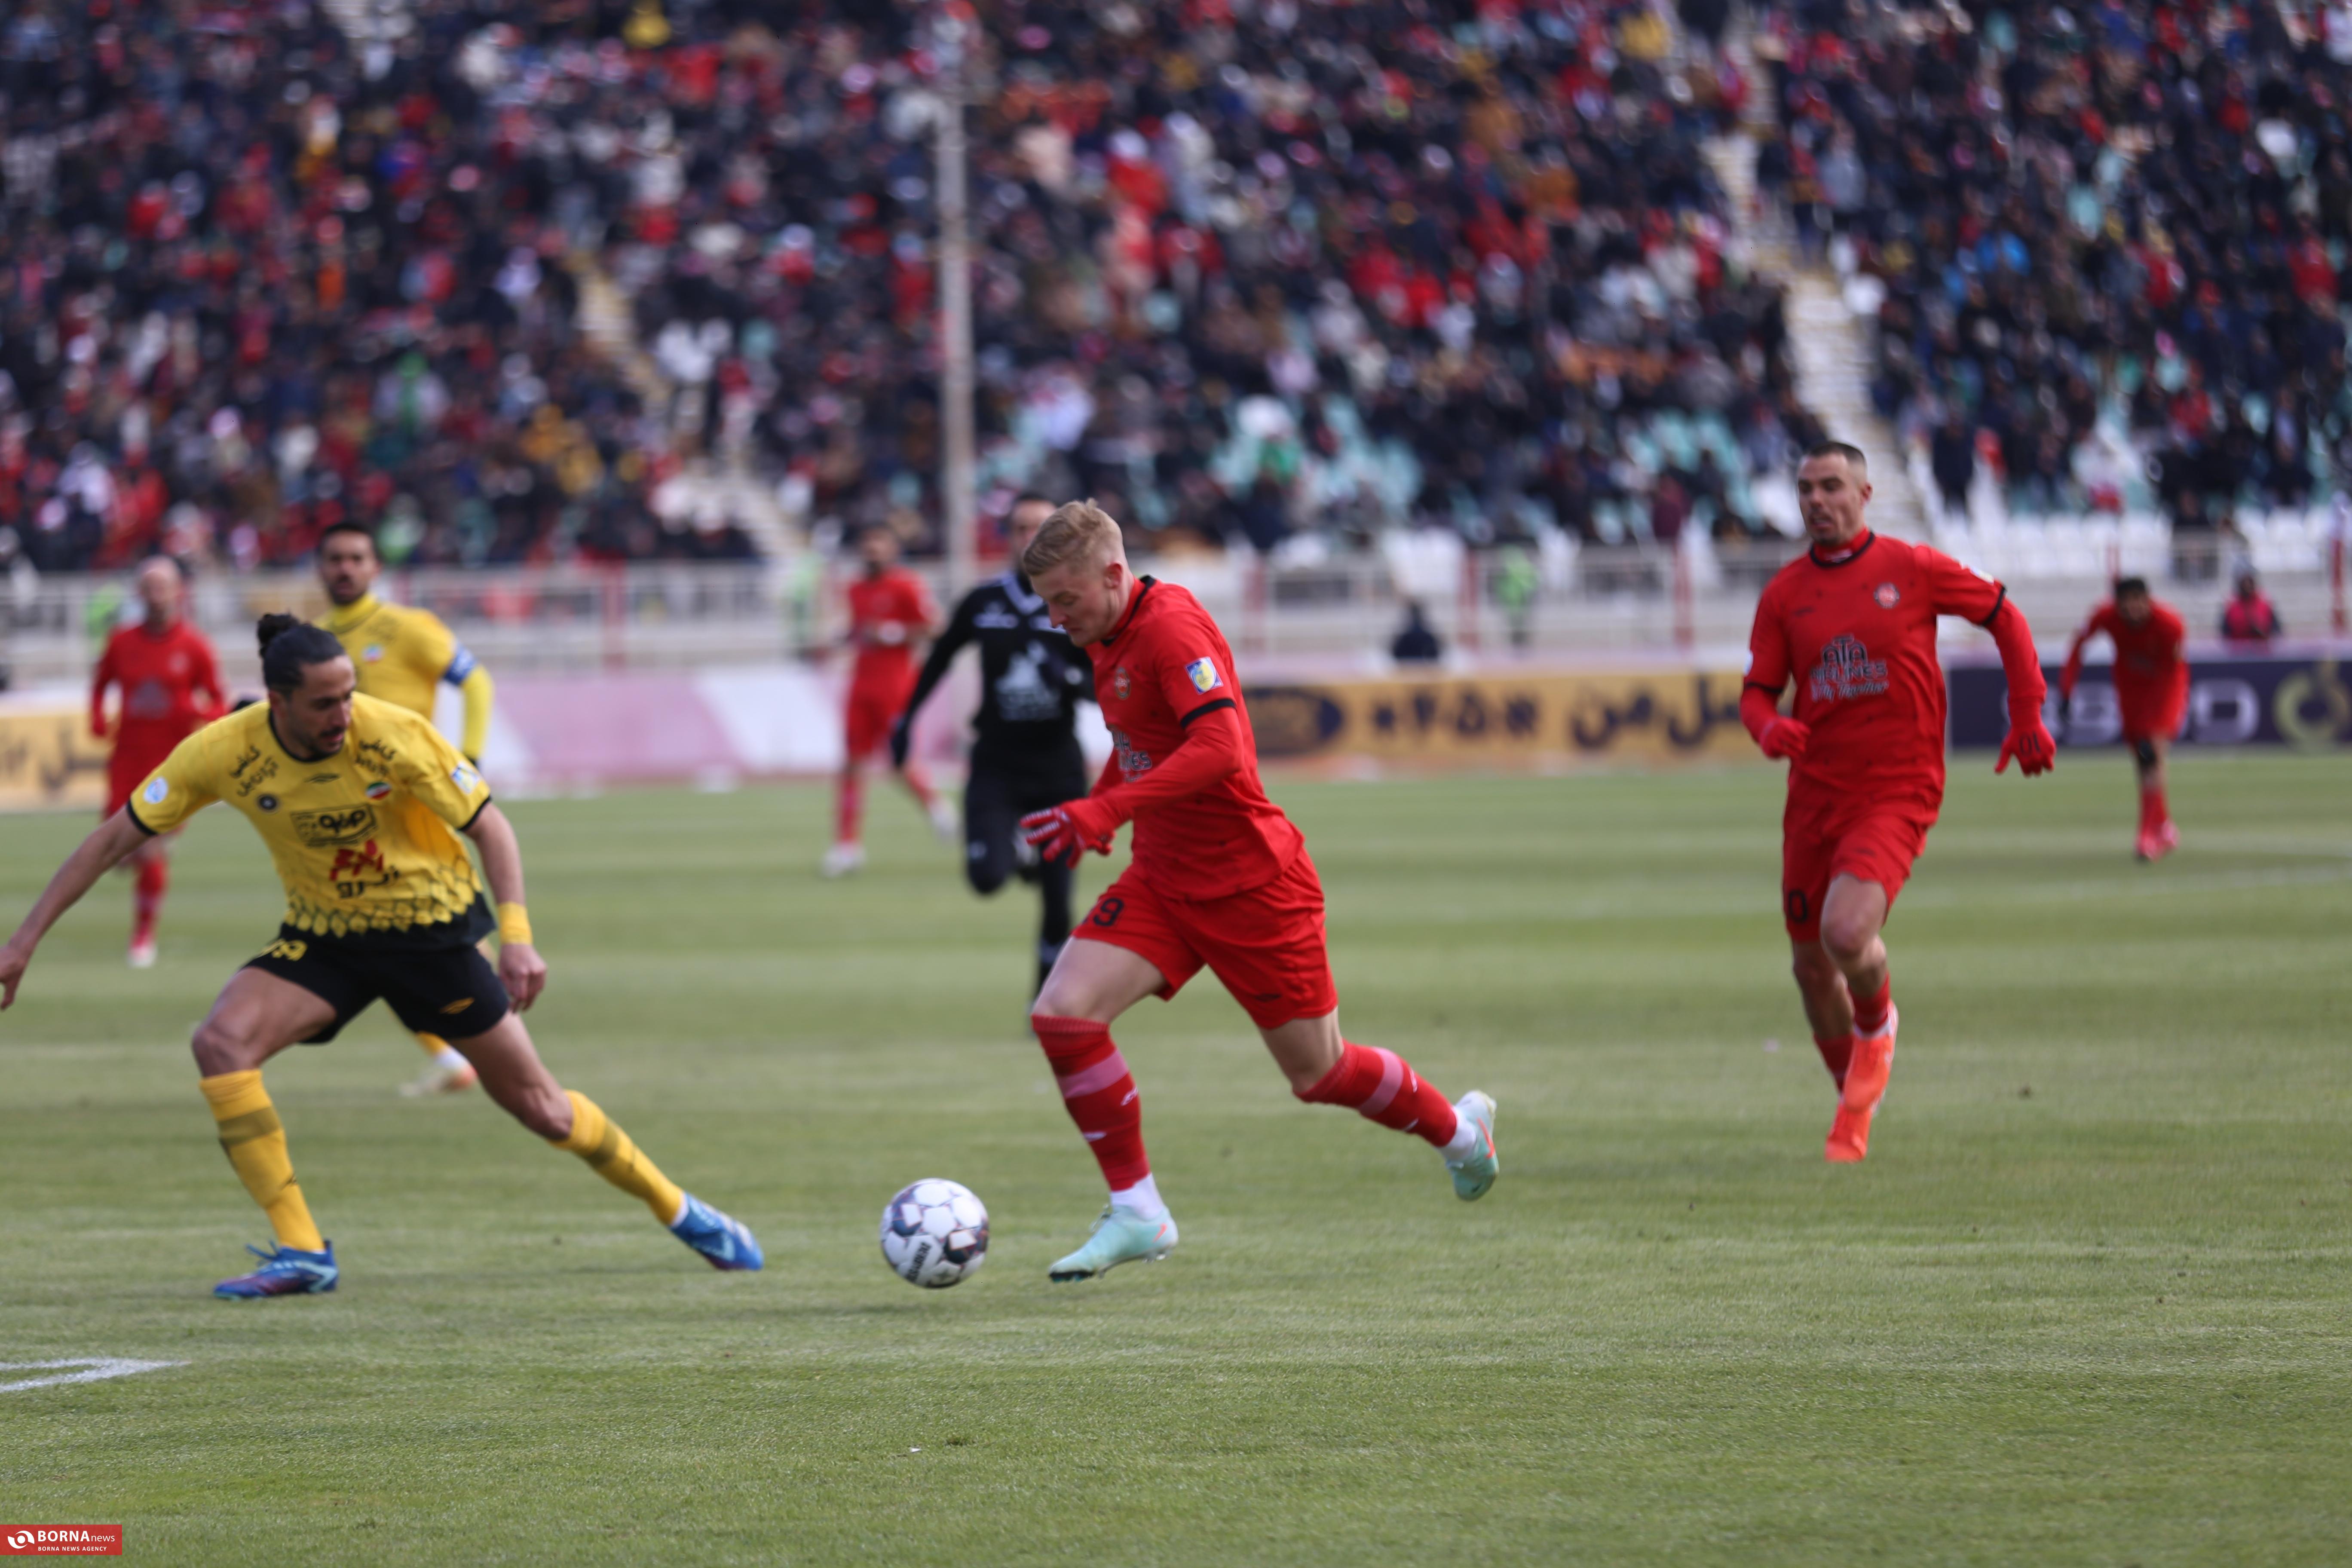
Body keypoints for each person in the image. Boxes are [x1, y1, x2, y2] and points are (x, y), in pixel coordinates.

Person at [0, 616, 761, 1298]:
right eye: (324, 703)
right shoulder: (224, 751)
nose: (343, 714)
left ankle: (681, 1209)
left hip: (430, 937)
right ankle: (304, 1250)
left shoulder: (392, 732)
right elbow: (111, 839)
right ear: (278, 702)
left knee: (544, 1110)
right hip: (328, 938)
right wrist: (22, 943)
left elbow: (491, 827)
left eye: (348, 696)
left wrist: (518, 935)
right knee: (221, 1042)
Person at [1013, 500, 1498, 1283]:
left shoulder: (1171, 629)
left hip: (1252, 885)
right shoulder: (1105, 632)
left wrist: (1111, 808)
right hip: (1164, 880)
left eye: (1064, 599)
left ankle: (1461, 1133)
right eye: (1047, 602)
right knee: (1063, 1015)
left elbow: (1220, 745)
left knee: (1320, 1075)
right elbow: (1139, 739)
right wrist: (1102, 806)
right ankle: (1138, 1209)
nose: (1055, 617)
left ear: (1112, 575)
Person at [1742, 443, 2054, 1163]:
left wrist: (2027, 713)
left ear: (1864, 493)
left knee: (1846, 933)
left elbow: (2004, 616)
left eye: (1831, 486)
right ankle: (1852, 1103)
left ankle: (1877, 1027)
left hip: (1896, 786)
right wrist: (1767, 727)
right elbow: (1757, 692)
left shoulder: (1911, 567)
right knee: (1810, 969)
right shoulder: (1785, 593)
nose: (1816, 500)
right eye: (1805, 489)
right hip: (1814, 794)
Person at [316, 521, 500, 1096]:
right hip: (347, 811)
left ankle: (474, 1043)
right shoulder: (314, 641)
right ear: (321, 568)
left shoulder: (408, 627)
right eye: (335, 558)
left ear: (375, 567)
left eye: (356, 557)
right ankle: (471, 1044)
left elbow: (476, 683)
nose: (345, 568)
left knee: (396, 936)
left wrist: (469, 758)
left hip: (412, 802)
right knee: (397, 934)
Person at [891, 495, 1097, 995]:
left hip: (1058, 767)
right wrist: (907, 719)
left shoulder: (1079, 602)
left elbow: (1106, 685)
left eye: (1042, 528)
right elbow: (939, 658)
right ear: (1007, 536)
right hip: (997, 763)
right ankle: (1020, 850)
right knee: (985, 877)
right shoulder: (984, 602)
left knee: (1058, 901)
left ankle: (1044, 1005)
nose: (1030, 538)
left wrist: (1070, 679)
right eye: (1021, 527)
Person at [88, 558, 226, 967]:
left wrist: (198, 713)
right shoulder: (121, 642)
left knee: (149, 848)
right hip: (126, 760)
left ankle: (143, 935)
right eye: (149, 587)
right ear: (139, 593)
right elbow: (100, 685)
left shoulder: (195, 645)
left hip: (172, 766)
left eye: (163, 586)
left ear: (179, 592)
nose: (156, 595)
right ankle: (142, 868)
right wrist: (97, 717)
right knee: (117, 856)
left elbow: (219, 701)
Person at [825, 525, 955, 877]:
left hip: (896, 688)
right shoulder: (855, 588)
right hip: (861, 686)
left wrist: (891, 632)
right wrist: (839, 639)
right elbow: (856, 631)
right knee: (851, 764)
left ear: (893, 549)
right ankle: (847, 846)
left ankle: (934, 803)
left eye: (879, 544)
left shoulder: (907, 586)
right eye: (867, 544)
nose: (873, 550)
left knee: (899, 763)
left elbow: (935, 627)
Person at [2061, 578, 2189, 861]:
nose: (2133, 608)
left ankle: (2147, 836)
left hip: (2164, 691)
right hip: (2130, 689)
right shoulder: (2105, 616)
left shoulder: (2170, 625)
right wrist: (2067, 690)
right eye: (2126, 603)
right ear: (2117, 604)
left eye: (2138, 601)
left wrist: (2150, 725)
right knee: (2142, 761)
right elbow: (2078, 644)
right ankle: (2164, 827)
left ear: (2148, 600)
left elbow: (2169, 674)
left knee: (2152, 753)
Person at [2219, 572, 2283, 647]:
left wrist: (2262, 631)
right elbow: (2225, 634)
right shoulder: (2232, 609)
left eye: (2249, 586)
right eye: (2245, 586)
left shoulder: (2265, 606)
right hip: (2238, 650)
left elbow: (2276, 631)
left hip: (2261, 649)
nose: (2247, 589)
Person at [1389, 600, 1443, 664]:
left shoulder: (1406, 637)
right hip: (1419, 666)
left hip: (1410, 665)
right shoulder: (1427, 636)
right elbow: (1435, 654)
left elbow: (1396, 653)